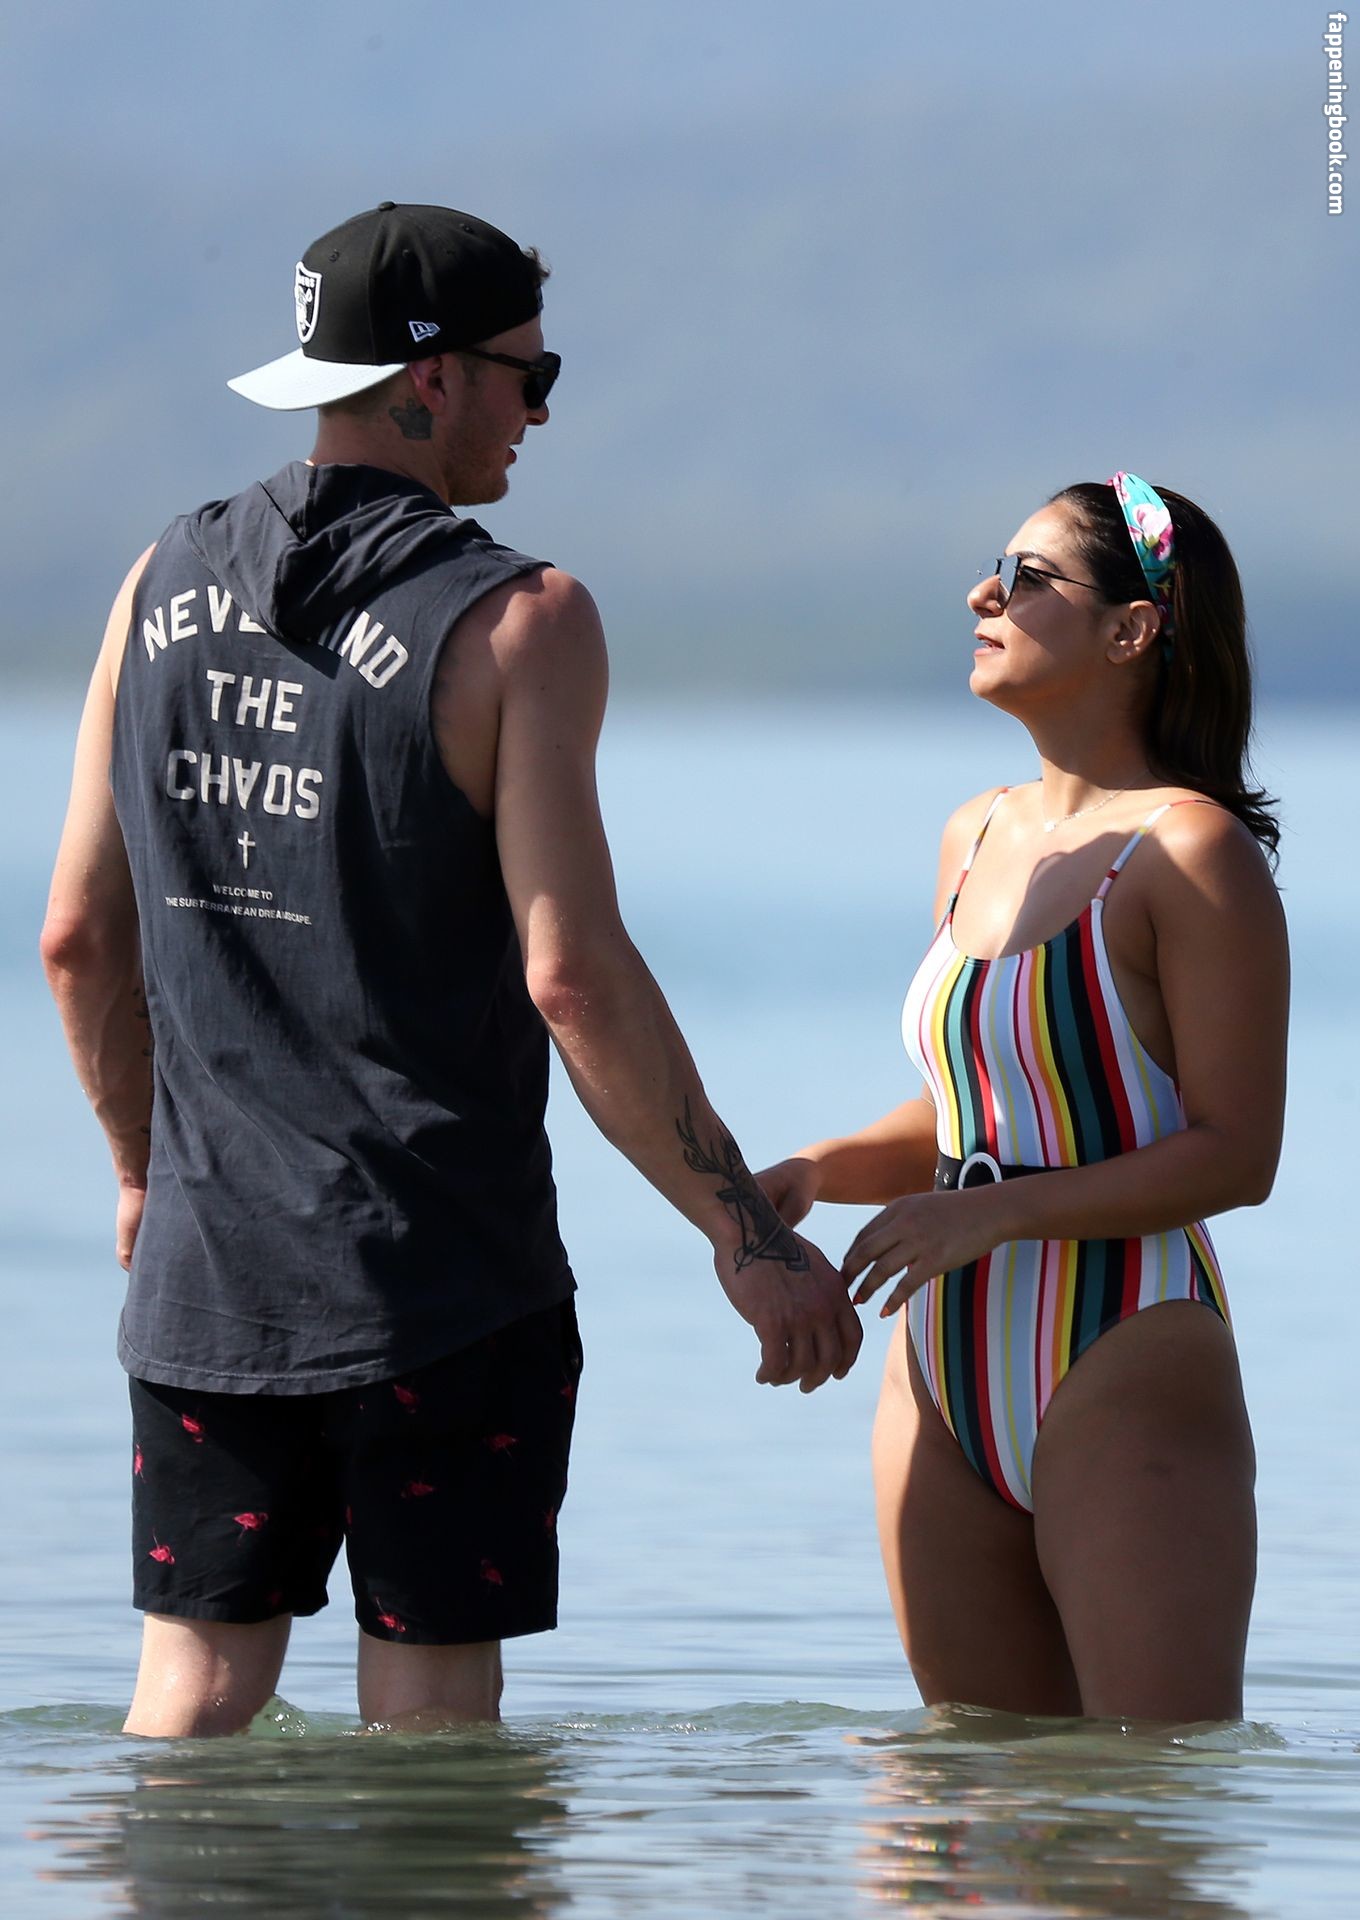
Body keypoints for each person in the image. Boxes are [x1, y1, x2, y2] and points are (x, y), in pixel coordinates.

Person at [41, 201, 862, 1738]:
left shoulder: (154, 581)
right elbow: (574, 978)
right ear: (433, 380)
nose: (537, 415)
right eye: (529, 378)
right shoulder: (519, 620)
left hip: (207, 1280)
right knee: (430, 1730)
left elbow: (78, 937)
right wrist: (746, 1236)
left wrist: (143, 1175)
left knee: (191, 1695)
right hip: (443, 1292)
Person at [760, 474, 1287, 1721]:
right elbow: (978, 1114)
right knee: (955, 1793)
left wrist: (986, 1215)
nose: (980, 595)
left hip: (1122, 1347)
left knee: (1143, 1803)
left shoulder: (1192, 852)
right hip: (941, 1368)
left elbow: (1236, 1156)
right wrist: (818, 1170)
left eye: (1027, 577)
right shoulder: (974, 833)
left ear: (1131, 629)